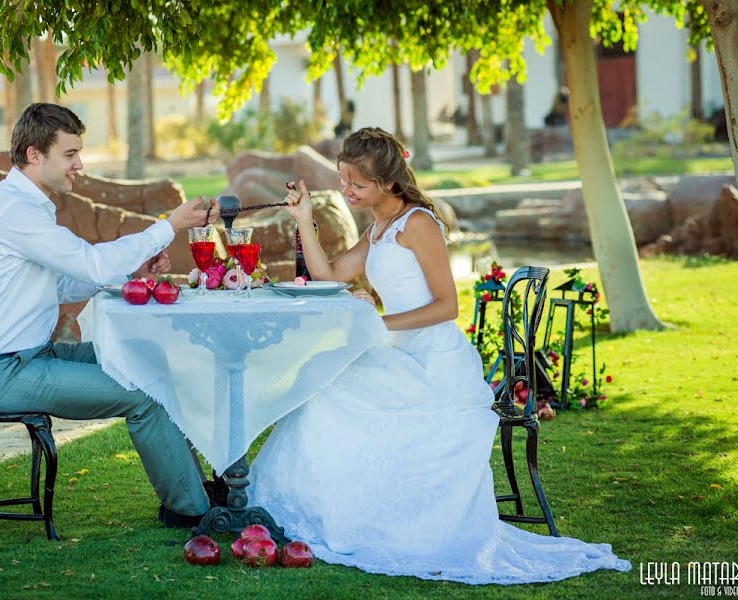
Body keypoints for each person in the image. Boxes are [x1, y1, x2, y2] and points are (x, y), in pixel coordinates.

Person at [248, 127, 631, 583]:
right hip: (400, 352)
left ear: (388, 184)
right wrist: (303, 218)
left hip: (433, 362)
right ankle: (321, 510)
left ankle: (349, 516)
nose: (347, 191)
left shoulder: (418, 224)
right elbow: (328, 273)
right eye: (343, 180)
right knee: (321, 379)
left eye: (357, 185)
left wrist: (378, 323)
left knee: (330, 388)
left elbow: (447, 306)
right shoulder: (380, 228)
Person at [0, 103, 224, 528]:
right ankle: (192, 512)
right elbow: (92, 265)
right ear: (33, 154)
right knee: (142, 394)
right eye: (70, 154)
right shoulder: (13, 212)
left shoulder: (25, 205)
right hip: (0, 374)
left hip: (26, 358)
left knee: (148, 362)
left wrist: (132, 268)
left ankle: (195, 489)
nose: (80, 165)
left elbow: (60, 285)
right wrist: (169, 225)